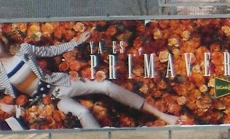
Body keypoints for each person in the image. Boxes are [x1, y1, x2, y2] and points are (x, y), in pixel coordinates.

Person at [0, 31, 180, 129]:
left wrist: (75, 42)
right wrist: (6, 106)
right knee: (82, 113)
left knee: (106, 85)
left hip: (59, 84)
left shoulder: (23, 50)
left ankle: (162, 116)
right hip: (45, 104)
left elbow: (50, 51)